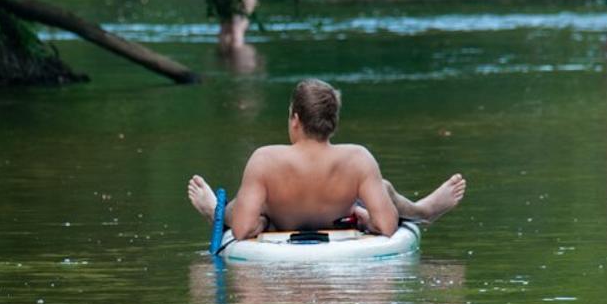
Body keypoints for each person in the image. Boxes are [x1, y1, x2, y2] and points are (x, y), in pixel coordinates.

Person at [188, 79, 467, 240]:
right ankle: (421, 212)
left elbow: (242, 230)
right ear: (333, 121)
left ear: (295, 119)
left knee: (241, 205)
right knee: (385, 188)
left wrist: (264, 224)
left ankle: (215, 211)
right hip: (338, 216)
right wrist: (366, 219)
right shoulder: (358, 157)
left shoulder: (264, 159)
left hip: (282, 221)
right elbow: (386, 227)